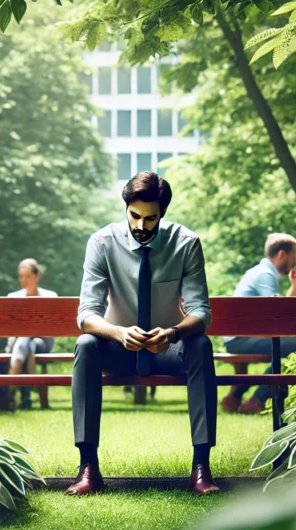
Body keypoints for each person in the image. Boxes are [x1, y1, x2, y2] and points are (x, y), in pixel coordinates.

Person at [67, 171, 220, 496]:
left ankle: (202, 466)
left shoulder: (186, 244)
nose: (140, 225)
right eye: (134, 215)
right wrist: (119, 333)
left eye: (150, 218)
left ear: (162, 214)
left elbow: (201, 312)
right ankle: (87, 467)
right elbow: (86, 315)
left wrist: (173, 333)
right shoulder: (102, 243)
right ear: (126, 207)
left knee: (201, 346)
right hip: (117, 348)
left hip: (168, 350)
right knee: (86, 344)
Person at [221, 233, 296, 415]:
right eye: (293, 255)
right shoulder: (266, 275)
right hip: (240, 340)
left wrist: (295, 287)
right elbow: (279, 317)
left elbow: (277, 316)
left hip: (237, 337)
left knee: (289, 346)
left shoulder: (258, 272)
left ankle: (236, 395)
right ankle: (257, 399)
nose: (294, 261)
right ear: (282, 254)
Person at [0, 258, 58, 410]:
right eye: (21, 276)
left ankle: (12, 388)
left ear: (37, 276)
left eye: (27, 276)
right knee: (28, 345)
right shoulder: (13, 297)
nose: (23, 280)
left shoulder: (50, 296)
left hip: (43, 343)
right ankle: (26, 396)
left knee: (27, 340)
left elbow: (52, 328)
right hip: (24, 344)